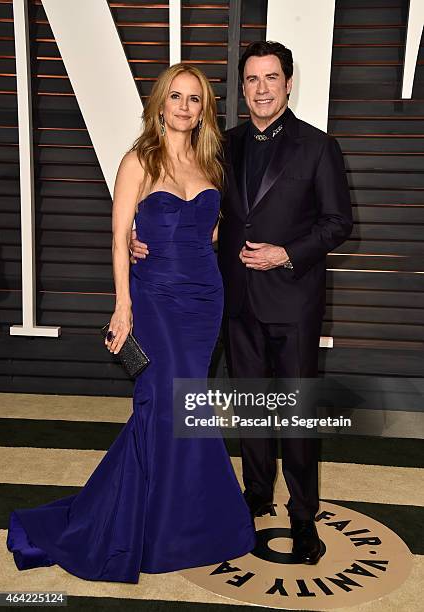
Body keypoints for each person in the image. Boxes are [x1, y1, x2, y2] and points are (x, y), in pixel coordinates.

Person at [6, 63, 256, 583]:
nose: (185, 107)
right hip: (154, 298)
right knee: (162, 403)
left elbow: (209, 235)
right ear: (160, 103)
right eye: (176, 97)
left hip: (204, 299)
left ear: (203, 108)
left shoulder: (212, 163)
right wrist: (124, 305)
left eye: (195, 99)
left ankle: (189, 523)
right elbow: (120, 238)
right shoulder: (138, 160)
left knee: (188, 404)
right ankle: (136, 527)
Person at [130, 42, 353, 565]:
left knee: (294, 415)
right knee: (252, 409)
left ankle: (302, 517)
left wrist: (285, 254)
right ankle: (255, 496)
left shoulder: (319, 147)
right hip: (232, 301)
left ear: (289, 82)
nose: (261, 88)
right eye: (252, 80)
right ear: (242, 88)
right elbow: (195, 211)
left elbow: (338, 223)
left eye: (271, 78)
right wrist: (146, 240)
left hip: (294, 301)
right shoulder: (220, 146)